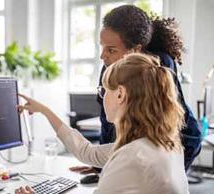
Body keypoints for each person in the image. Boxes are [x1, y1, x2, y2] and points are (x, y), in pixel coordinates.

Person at [15, 53, 189, 194]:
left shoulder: (133, 157)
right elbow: (88, 153)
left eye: (104, 90)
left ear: (120, 94)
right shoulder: (163, 144)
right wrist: (45, 111)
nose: (101, 97)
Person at [70, 5, 201, 178]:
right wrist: (101, 165)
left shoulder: (158, 65)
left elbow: (157, 127)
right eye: (102, 47)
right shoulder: (109, 65)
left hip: (181, 141)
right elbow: (108, 121)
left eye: (111, 49)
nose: (103, 56)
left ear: (136, 49)